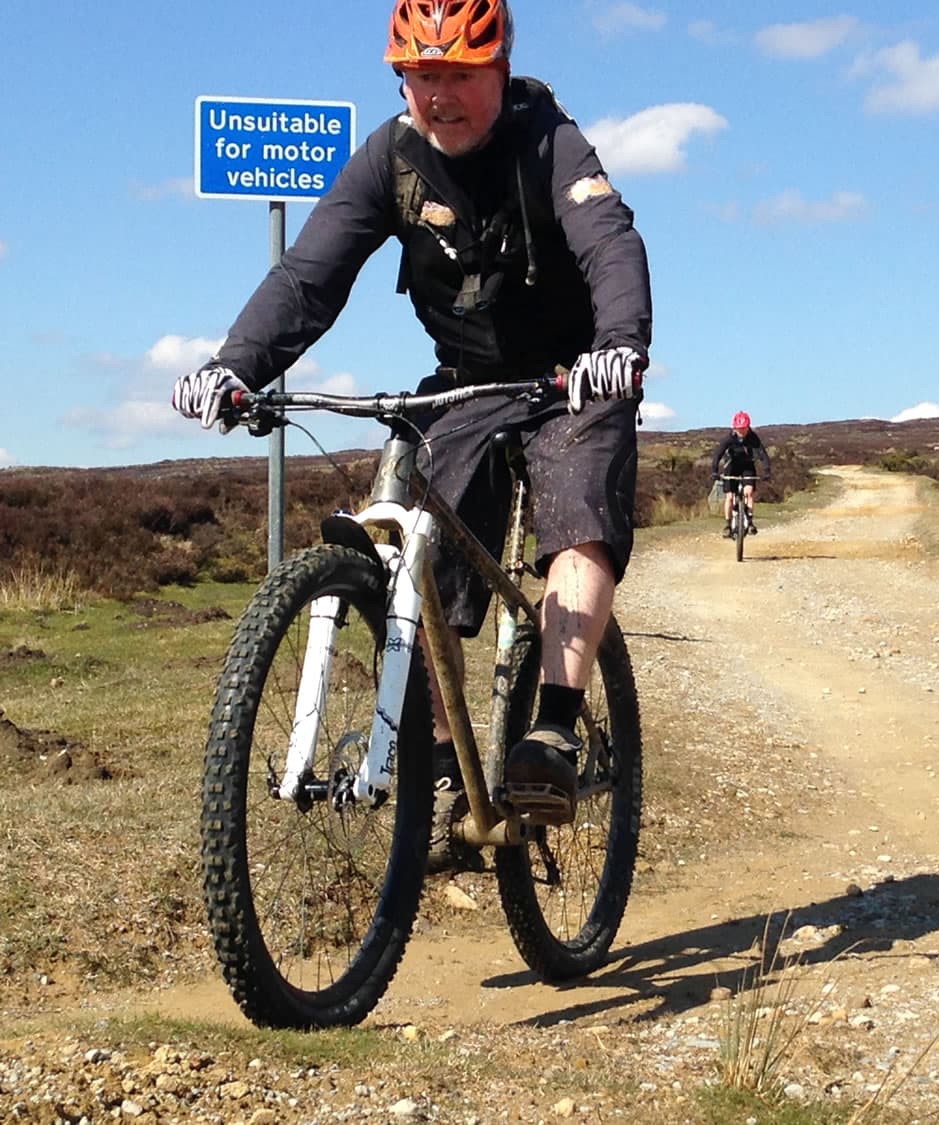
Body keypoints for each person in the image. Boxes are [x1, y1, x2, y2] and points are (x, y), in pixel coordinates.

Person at [170, 0, 651, 871]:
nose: (440, 95)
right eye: (422, 75)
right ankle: (439, 766)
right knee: (414, 558)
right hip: (466, 383)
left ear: (499, 67)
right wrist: (235, 365)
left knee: (576, 507)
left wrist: (618, 345)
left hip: (571, 376)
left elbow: (609, 240)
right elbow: (309, 277)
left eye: (460, 74)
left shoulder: (548, 137)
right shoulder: (389, 158)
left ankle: (551, 725)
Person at [711, 411, 771, 537]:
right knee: (729, 497)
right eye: (739, 429)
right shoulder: (729, 438)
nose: (742, 431)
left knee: (749, 492)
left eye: (744, 428)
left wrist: (767, 471)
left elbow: (762, 454)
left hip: (747, 466)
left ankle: (749, 522)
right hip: (732, 466)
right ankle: (727, 525)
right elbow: (718, 454)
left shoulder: (753, 437)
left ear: (748, 427)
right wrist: (714, 471)